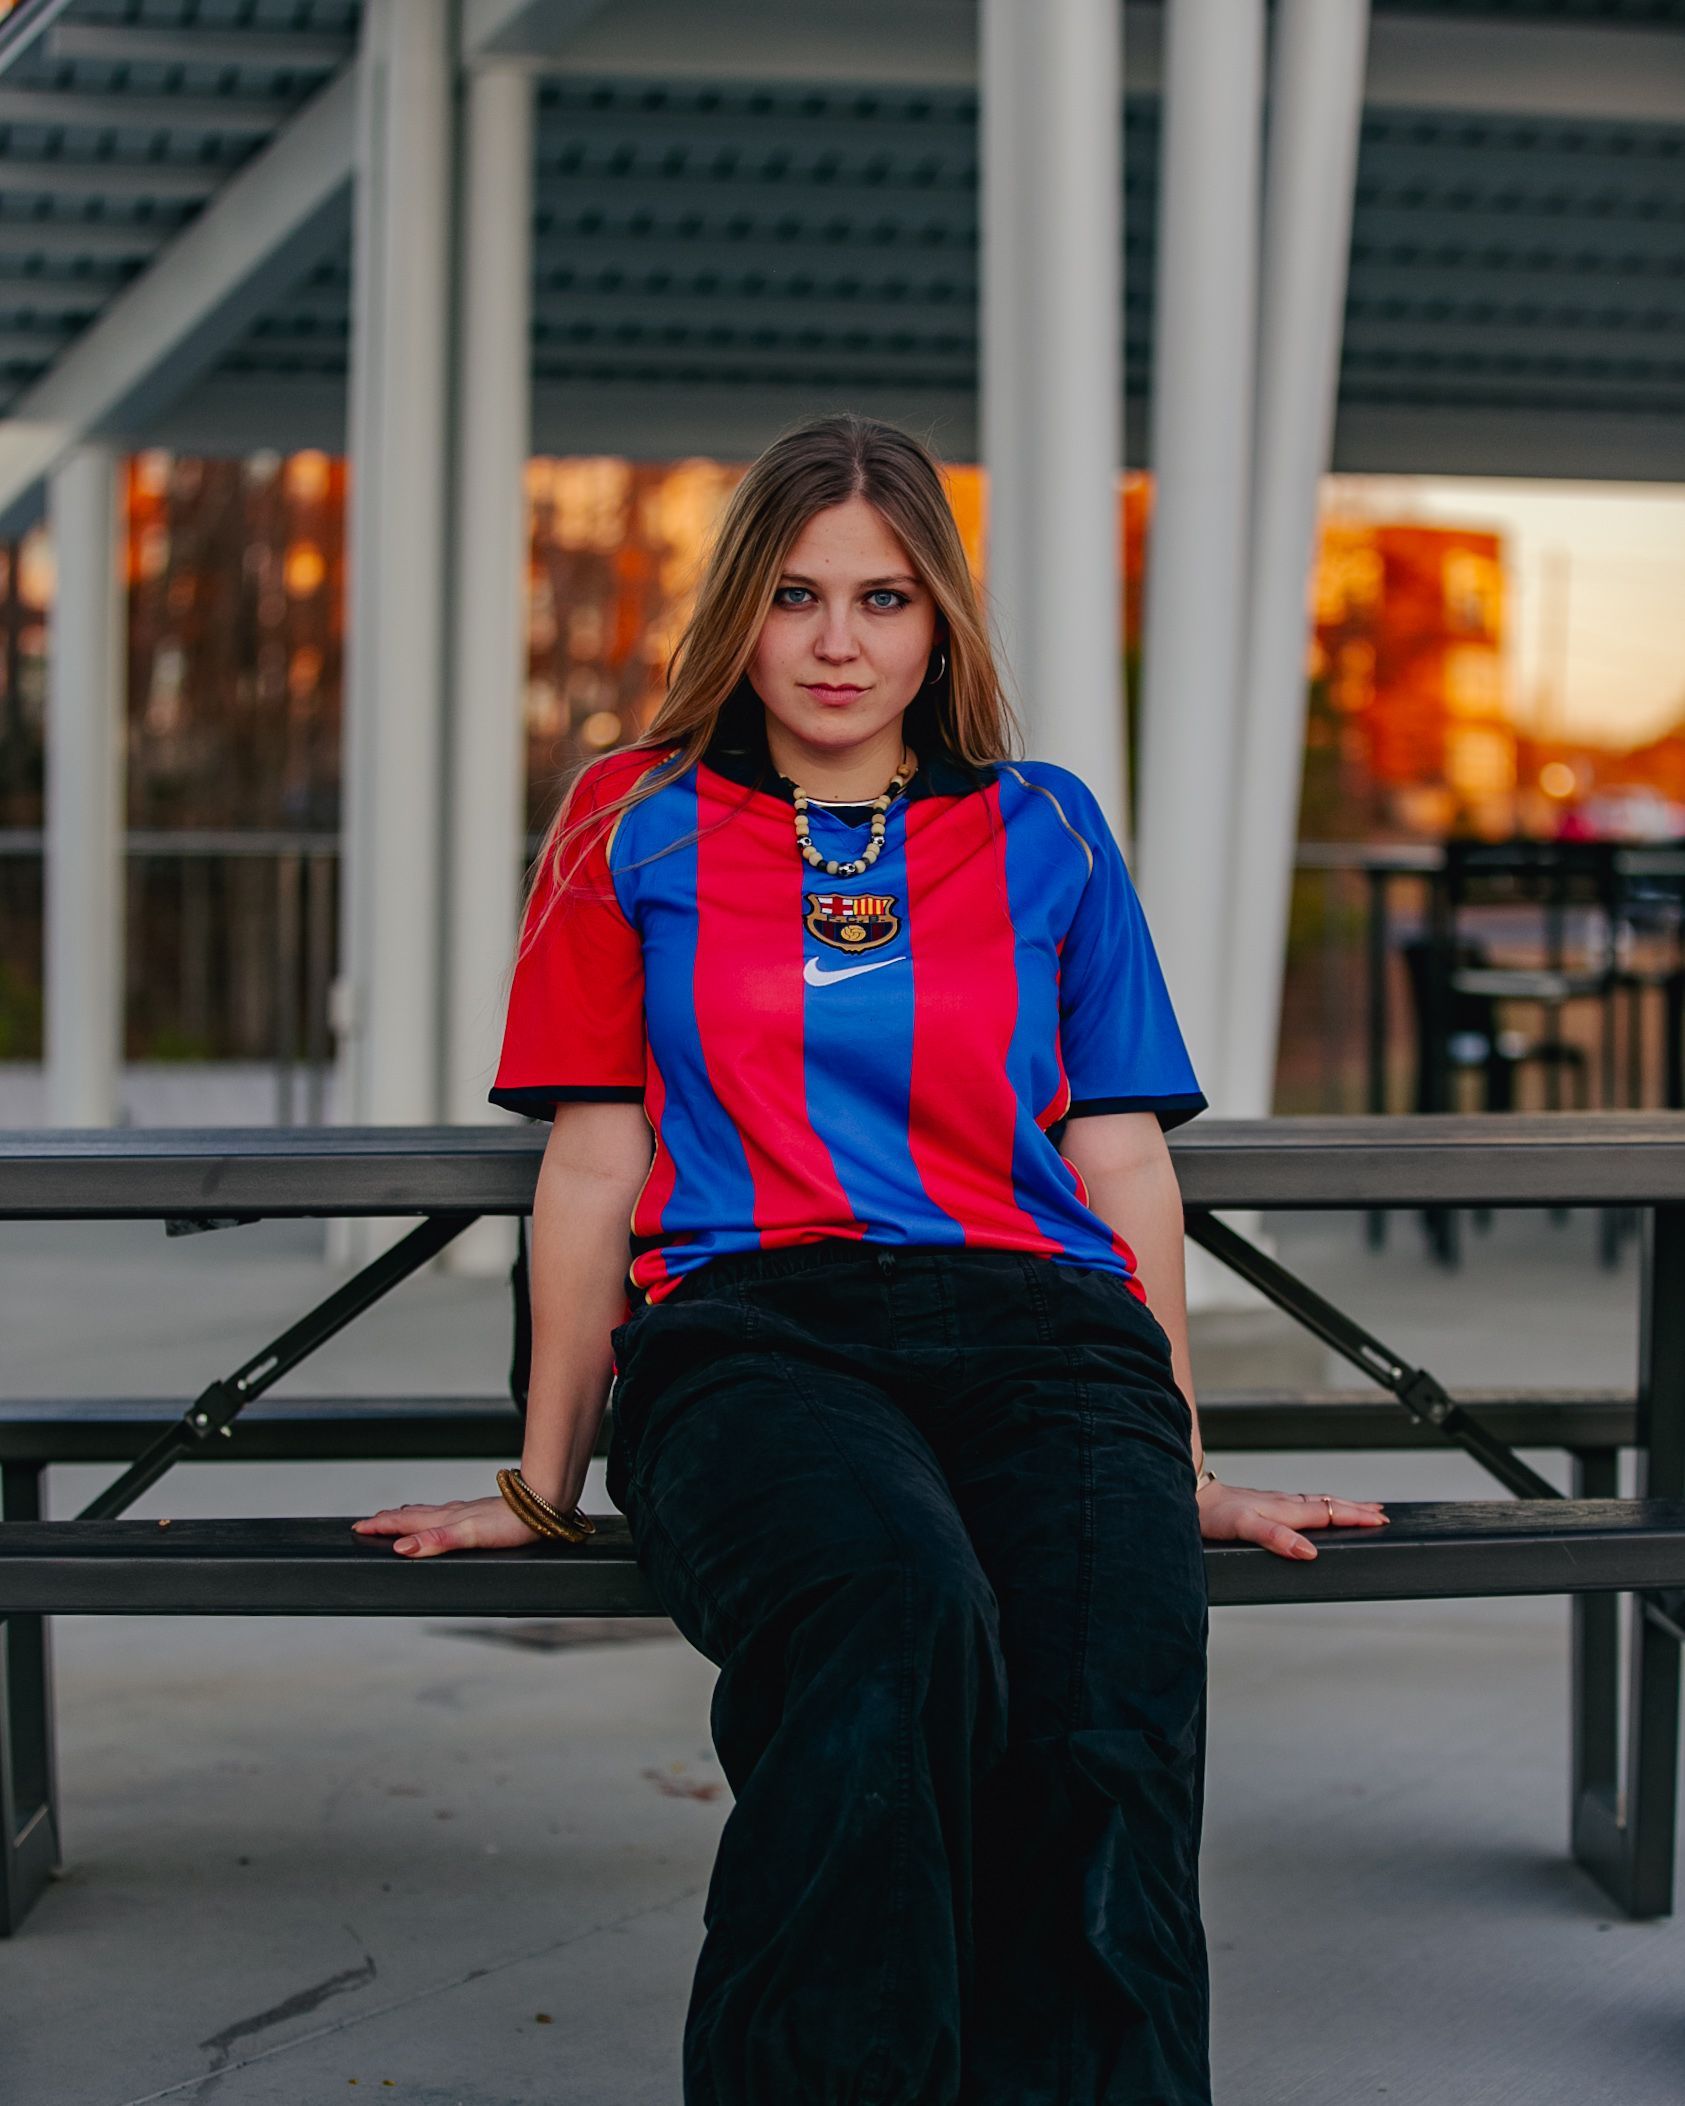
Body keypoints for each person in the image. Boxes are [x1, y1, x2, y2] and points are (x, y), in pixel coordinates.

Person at [355, 412, 1388, 2105]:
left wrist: (1172, 1459)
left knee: (1099, 1704)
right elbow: (594, 1156)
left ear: (940, 624)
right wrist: (546, 1478)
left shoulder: (1043, 826)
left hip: (1049, 1333)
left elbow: (1118, 1154)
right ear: (737, 617)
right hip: (756, 1335)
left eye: (885, 600)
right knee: (888, 1611)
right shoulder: (634, 816)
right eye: (795, 596)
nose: (839, 643)